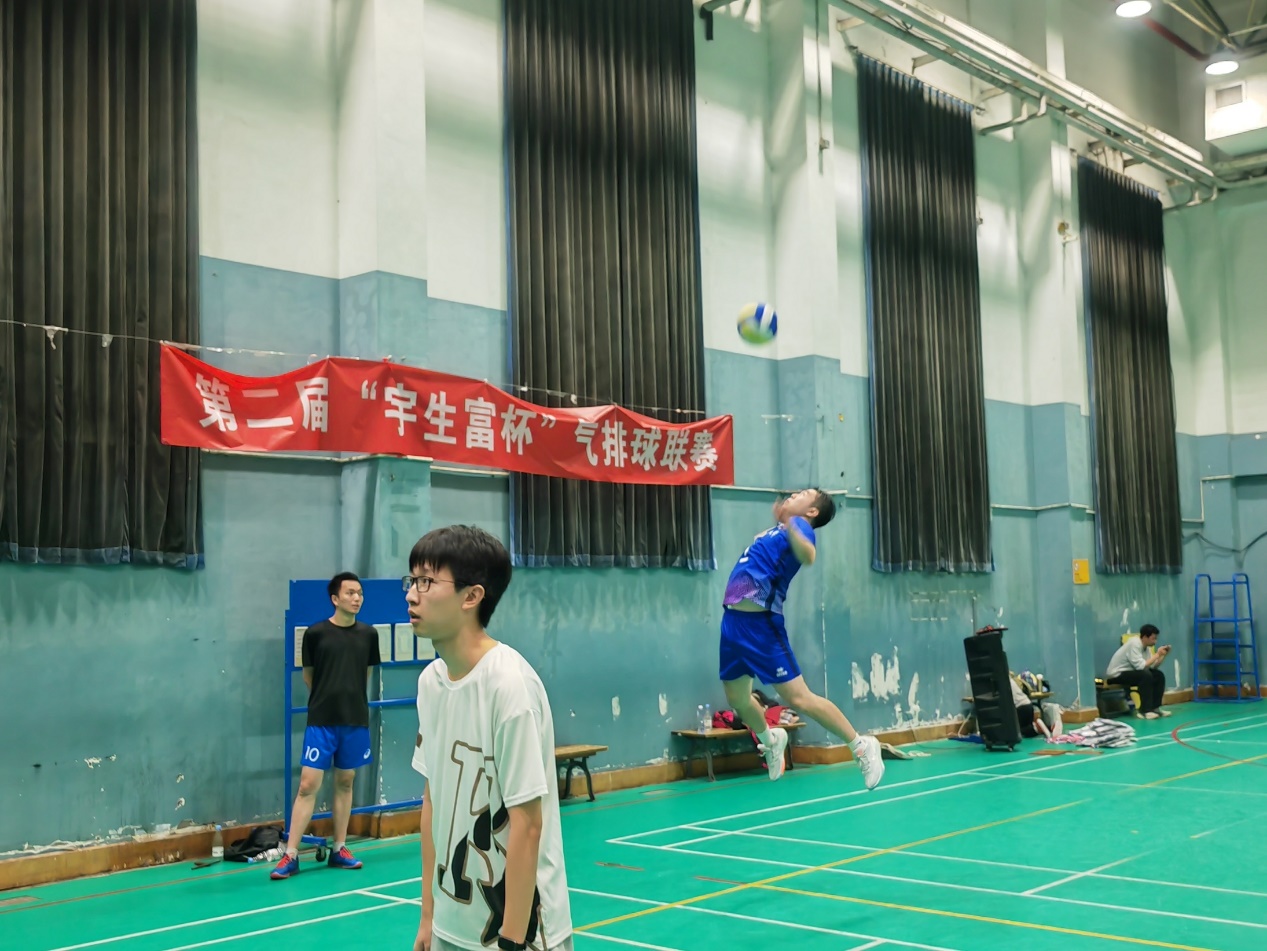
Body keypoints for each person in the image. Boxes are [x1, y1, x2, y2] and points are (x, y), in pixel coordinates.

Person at [407, 525, 572, 951]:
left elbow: (528, 823)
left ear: (471, 596)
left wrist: (513, 940)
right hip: (451, 923)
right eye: (412, 580)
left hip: (516, 929)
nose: (412, 595)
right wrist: (428, 915)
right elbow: (433, 801)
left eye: (426, 581)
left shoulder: (509, 686)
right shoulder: (430, 682)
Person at [719, 489, 884, 789]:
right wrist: (781, 522)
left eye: (803, 494)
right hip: (733, 622)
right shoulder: (777, 530)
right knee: (738, 699)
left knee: (799, 698)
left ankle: (861, 746)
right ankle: (771, 740)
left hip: (761, 625)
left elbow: (808, 555)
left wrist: (791, 522)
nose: (794, 495)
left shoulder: (801, 527)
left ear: (812, 512)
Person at [272, 572, 381, 879]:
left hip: (354, 720)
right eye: (350, 593)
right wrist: (328, 699)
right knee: (308, 785)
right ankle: (291, 854)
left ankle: (339, 848)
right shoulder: (316, 634)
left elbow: (366, 675)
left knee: (346, 782)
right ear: (335, 599)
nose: (357, 598)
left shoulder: (369, 635)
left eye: (359, 593)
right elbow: (309, 676)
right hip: (321, 721)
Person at [1105, 623, 1171, 720]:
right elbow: (1141, 666)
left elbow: (1152, 666)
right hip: (1116, 675)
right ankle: (1144, 711)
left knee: (1158, 675)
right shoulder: (1134, 643)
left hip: (1131, 673)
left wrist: (1162, 656)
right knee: (1145, 675)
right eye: (1153, 638)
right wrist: (1157, 654)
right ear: (1144, 637)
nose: (1155, 641)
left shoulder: (1146, 647)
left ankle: (1155, 708)